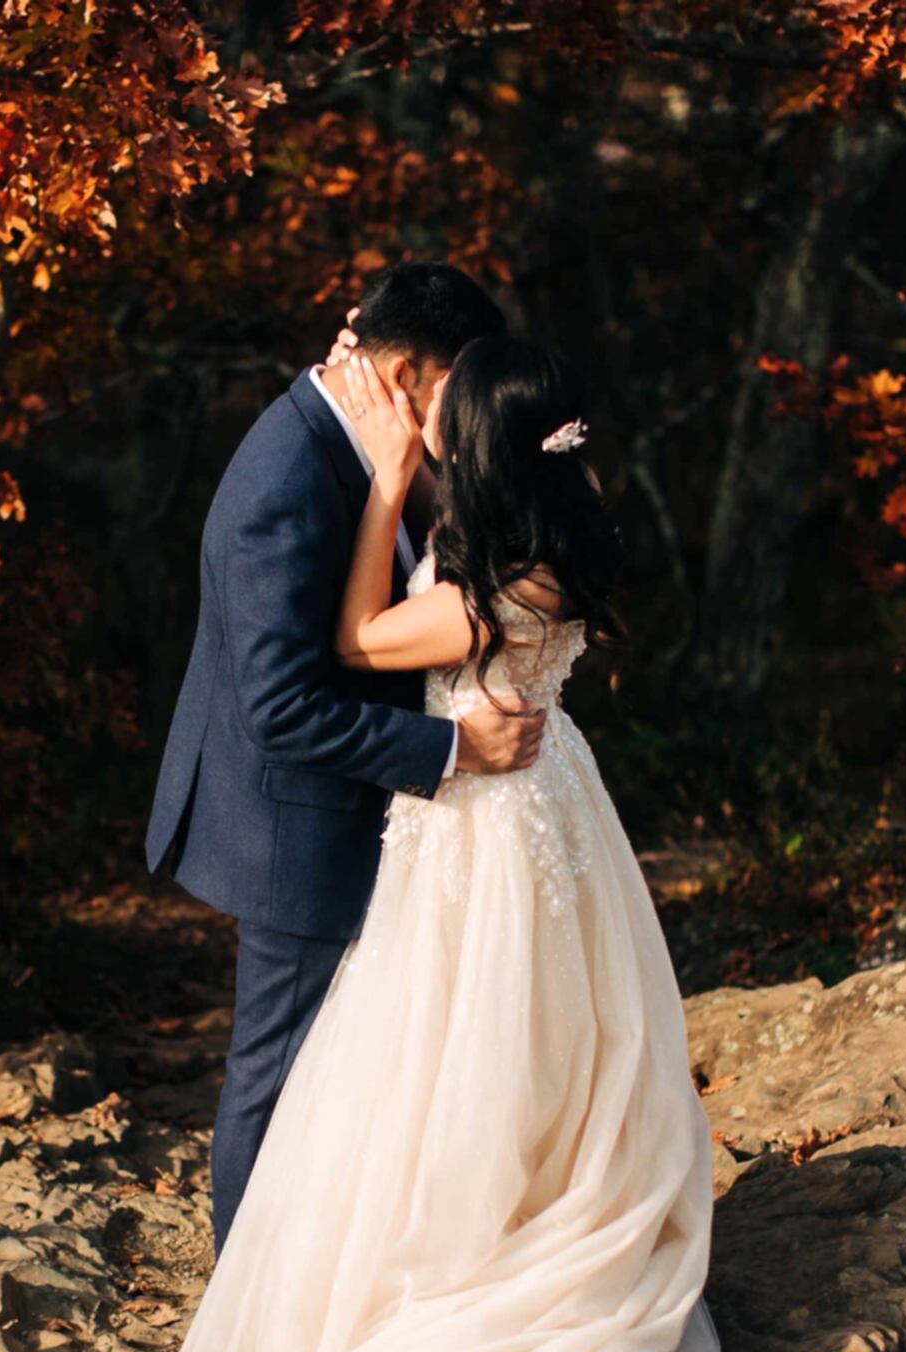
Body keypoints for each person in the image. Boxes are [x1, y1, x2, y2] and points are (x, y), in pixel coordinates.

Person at [137, 335, 724, 1352]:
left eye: (457, 424)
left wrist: (395, 483)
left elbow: (351, 639)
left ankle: (440, 1273)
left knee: (446, 1040)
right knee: (555, 1033)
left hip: (478, 825)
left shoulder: (475, 590)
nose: (438, 429)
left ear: (488, 445)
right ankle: (542, 1208)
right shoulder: (574, 537)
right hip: (557, 793)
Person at [144, 262, 543, 1254]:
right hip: (295, 822)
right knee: (275, 1074)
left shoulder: (363, 442)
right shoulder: (286, 480)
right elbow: (281, 707)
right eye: (456, 383)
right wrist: (454, 747)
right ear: (408, 373)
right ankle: (245, 1309)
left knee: (341, 1065)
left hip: (360, 811)